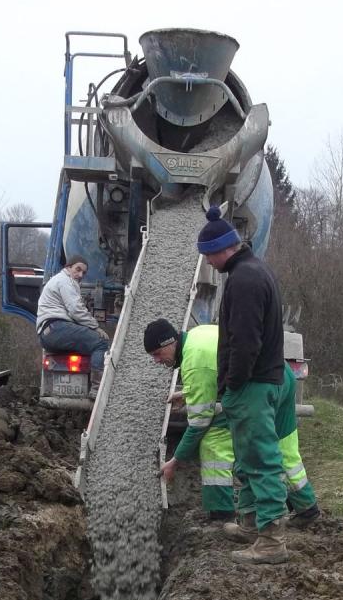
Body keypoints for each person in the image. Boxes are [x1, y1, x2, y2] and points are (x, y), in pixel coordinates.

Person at [197, 205, 319, 564]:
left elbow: (244, 341)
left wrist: (232, 383)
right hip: (261, 379)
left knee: (262, 460)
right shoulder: (253, 270)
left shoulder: (245, 280)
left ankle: (270, 542)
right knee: (247, 458)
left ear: (222, 250)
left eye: (207, 256)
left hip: (252, 384)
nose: (208, 263)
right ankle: (251, 522)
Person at [147, 317, 320, 530]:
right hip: (281, 376)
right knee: (285, 448)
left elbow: (199, 423)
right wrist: (188, 392)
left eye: (157, 354)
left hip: (259, 389)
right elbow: (217, 369)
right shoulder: (198, 335)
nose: (156, 360)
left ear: (169, 343)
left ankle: (224, 513)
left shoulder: (193, 363)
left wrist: (176, 460)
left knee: (216, 441)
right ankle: (307, 507)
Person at [36, 255, 109, 384]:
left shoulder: (58, 280)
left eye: (84, 273)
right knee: (100, 342)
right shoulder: (64, 281)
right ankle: (97, 388)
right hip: (56, 328)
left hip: (48, 333)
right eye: (78, 269)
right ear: (68, 267)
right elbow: (76, 309)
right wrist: (95, 326)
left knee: (87, 346)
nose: (80, 275)